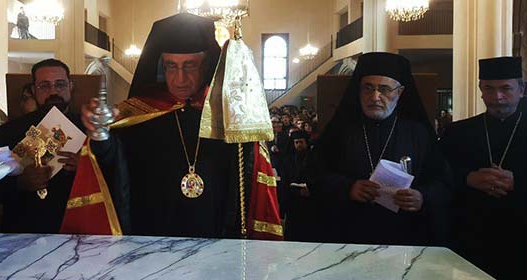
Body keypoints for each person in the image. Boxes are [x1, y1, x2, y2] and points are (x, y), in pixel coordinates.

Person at [78, 13, 281, 239]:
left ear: (207, 65)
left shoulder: (228, 116)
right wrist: (100, 134)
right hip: (152, 241)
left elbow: (248, 177)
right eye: (171, 66)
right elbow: (113, 164)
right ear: (160, 66)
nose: (180, 79)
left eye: (190, 66)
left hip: (217, 241)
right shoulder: (140, 111)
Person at [307, 52, 450, 246]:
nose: (375, 97)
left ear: (399, 93)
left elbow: (443, 182)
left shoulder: (418, 134)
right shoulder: (340, 131)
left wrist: (422, 197)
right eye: (368, 88)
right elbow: (314, 175)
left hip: (405, 236)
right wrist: (348, 188)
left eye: (384, 89)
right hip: (347, 233)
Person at [440, 56, 526, 280]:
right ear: (480, 90)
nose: (497, 96)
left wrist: (517, 182)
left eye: (506, 88)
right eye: (489, 88)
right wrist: (467, 179)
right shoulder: (457, 132)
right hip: (472, 238)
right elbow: (438, 177)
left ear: (521, 89)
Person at [0, 59, 81, 233]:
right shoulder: (9, 131)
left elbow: (117, 178)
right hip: (24, 229)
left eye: (60, 84)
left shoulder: (90, 129)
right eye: (44, 86)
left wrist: (86, 167)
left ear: (70, 86)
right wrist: (19, 183)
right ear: (34, 90)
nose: (53, 91)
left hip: (78, 230)